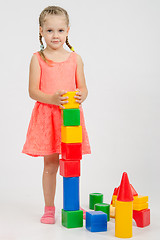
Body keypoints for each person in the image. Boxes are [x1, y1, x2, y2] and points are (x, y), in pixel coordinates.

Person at [22, 6, 91, 224]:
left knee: (71, 163)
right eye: (50, 30)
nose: (55, 35)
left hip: (70, 118)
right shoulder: (37, 58)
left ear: (68, 31)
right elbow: (33, 91)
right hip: (47, 117)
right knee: (50, 165)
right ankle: (49, 208)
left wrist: (81, 96)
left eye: (60, 30)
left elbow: (84, 89)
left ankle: (71, 203)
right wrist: (53, 98)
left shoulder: (75, 59)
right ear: (41, 31)